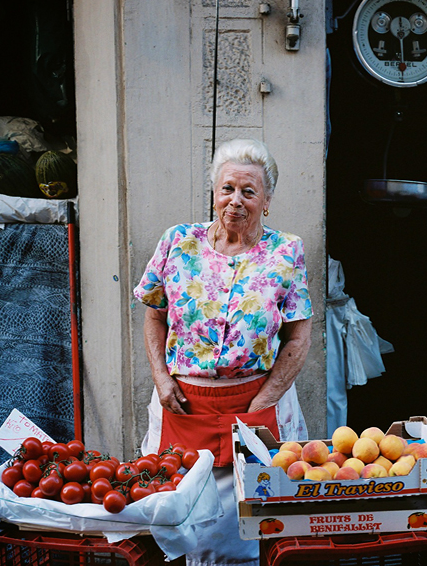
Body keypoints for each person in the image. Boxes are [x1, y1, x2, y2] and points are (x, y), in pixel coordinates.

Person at [133, 138, 313, 566]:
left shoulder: (287, 251)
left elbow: (299, 337)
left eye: (249, 192)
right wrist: (161, 377)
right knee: (180, 521)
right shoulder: (178, 242)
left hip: (255, 403)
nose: (236, 200)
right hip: (182, 406)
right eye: (227, 188)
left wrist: (264, 400)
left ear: (266, 200)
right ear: (214, 193)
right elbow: (155, 316)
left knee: (248, 529)